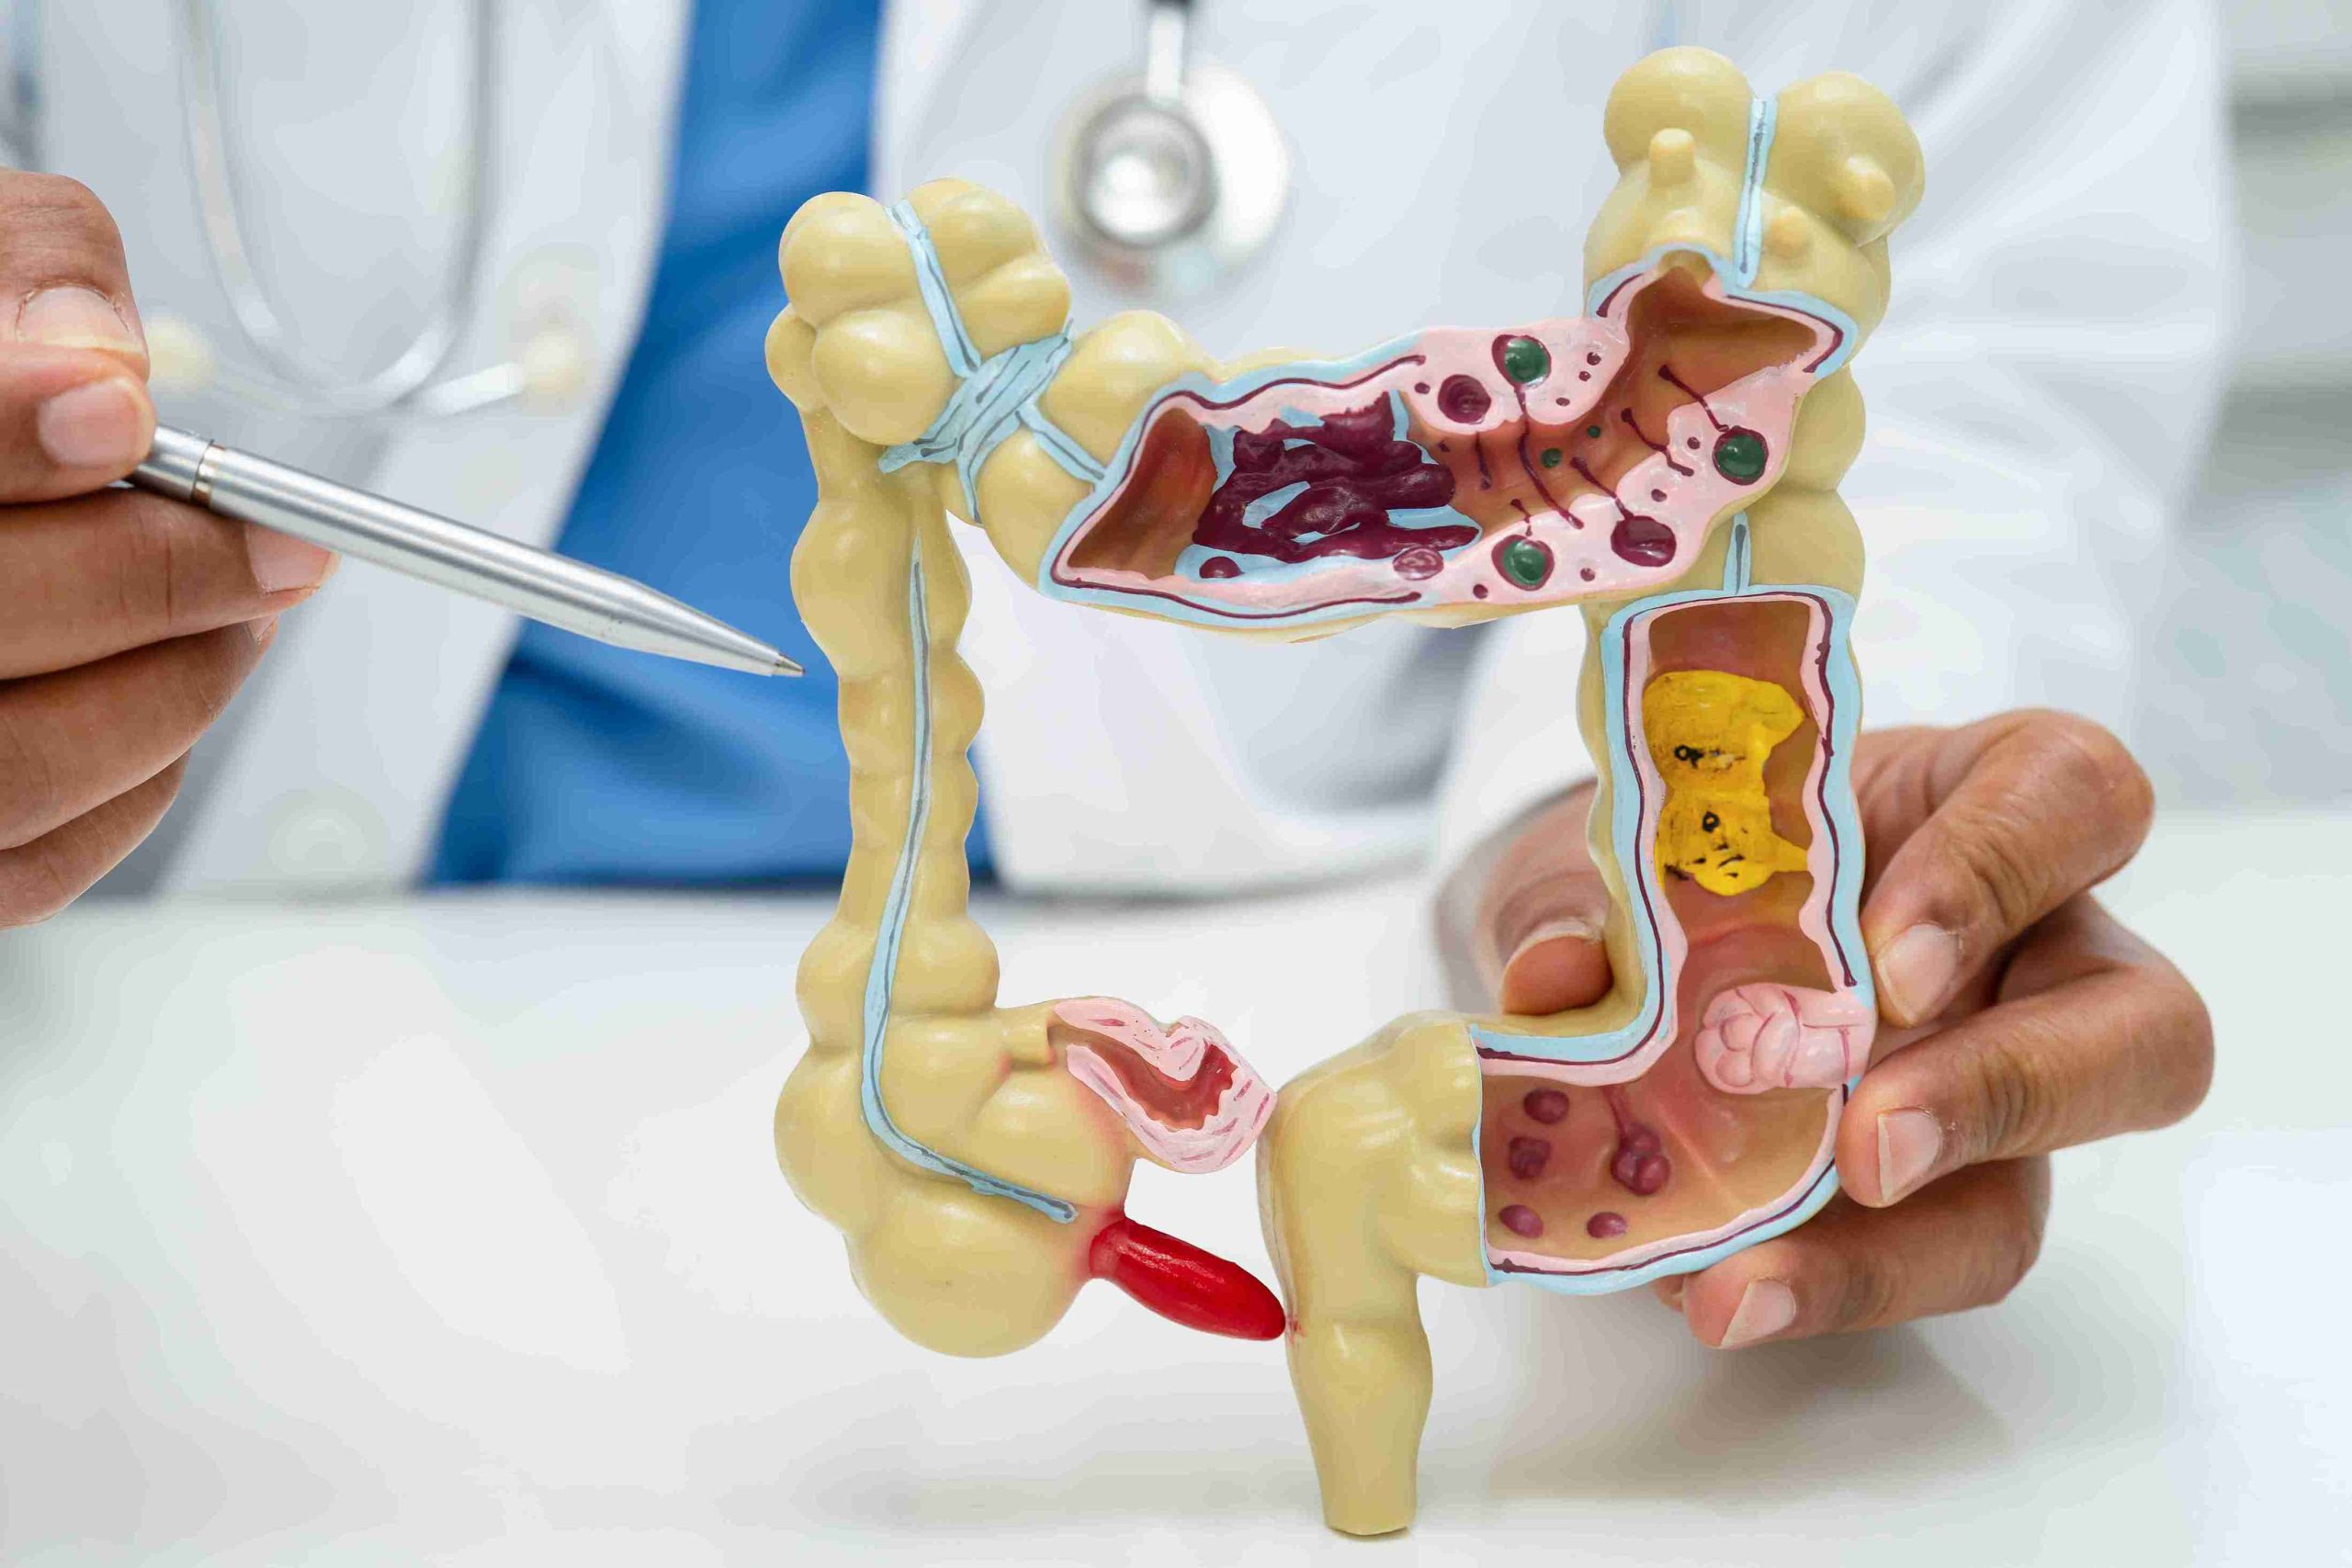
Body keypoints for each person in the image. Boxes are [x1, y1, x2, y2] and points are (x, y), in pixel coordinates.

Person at [0, 1, 2212, 1350]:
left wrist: (1660, 846)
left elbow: (1954, 336)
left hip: (1345, 898)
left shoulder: (1693, 368)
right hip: (159, 1081)